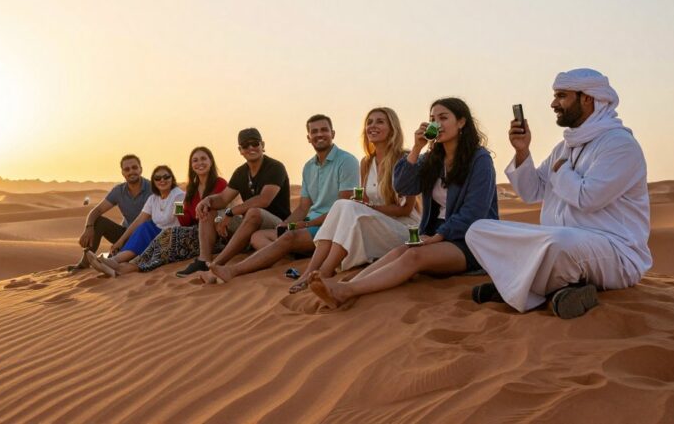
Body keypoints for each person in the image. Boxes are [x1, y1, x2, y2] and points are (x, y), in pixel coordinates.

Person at [466, 69, 651, 319]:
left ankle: (519, 289)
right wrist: (522, 152)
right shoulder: (564, 146)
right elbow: (532, 191)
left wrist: (562, 170)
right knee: (479, 231)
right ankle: (548, 290)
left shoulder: (619, 145)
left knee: (558, 244)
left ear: (587, 98)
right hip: (560, 242)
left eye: (561, 96)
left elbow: (588, 198)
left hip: (613, 251)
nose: (553, 104)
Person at [309, 98, 498, 309]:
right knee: (400, 251)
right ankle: (347, 285)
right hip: (436, 235)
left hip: (469, 240)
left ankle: (347, 291)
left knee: (414, 255)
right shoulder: (432, 159)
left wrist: (438, 236)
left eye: (443, 118)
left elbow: (474, 211)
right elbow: (404, 186)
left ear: (461, 122)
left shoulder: (480, 159)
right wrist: (417, 149)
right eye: (432, 119)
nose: (437, 124)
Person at [206, 114, 358, 284]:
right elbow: (302, 208)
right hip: (308, 225)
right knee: (258, 237)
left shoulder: (346, 161)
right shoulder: (309, 167)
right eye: (314, 132)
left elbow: (344, 208)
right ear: (308, 138)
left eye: (324, 130)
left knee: (286, 235)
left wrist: (304, 225)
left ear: (333, 133)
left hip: (329, 227)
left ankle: (232, 271)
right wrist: (284, 226)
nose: (319, 134)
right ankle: (288, 257)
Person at [288, 107, 419, 293]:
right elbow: (363, 203)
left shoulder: (404, 159)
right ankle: (310, 271)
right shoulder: (366, 163)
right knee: (343, 204)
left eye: (380, 121)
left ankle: (325, 271)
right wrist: (364, 207)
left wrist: (370, 208)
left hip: (403, 230)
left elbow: (405, 210)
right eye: (369, 122)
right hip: (375, 225)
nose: (373, 126)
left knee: (347, 206)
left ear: (392, 128)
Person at [87, 147, 228, 277]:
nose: (162, 180)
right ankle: (117, 265)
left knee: (165, 236)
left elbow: (187, 220)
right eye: (195, 160)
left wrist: (181, 206)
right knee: (151, 231)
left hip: (211, 232)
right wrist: (179, 208)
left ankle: (121, 266)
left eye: (166, 177)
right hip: (188, 233)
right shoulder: (190, 190)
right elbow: (185, 218)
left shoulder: (213, 185)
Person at [174, 128, 292, 277]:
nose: (250, 148)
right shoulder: (238, 173)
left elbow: (263, 200)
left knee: (254, 211)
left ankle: (217, 265)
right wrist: (207, 200)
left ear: (262, 144)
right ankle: (203, 261)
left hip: (276, 223)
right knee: (207, 210)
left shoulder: (275, 167)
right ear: (240, 150)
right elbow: (222, 199)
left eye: (254, 143)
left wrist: (231, 212)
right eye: (245, 145)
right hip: (243, 225)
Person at [85, 164, 184, 270]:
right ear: (154, 182)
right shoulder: (153, 199)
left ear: (172, 178)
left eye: (166, 177)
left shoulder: (179, 196)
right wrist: (120, 242)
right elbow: (139, 221)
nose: (162, 180)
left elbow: (181, 218)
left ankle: (112, 261)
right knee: (143, 227)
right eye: (158, 178)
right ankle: (112, 263)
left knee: (146, 227)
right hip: (156, 235)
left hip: (172, 237)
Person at [69, 154, 152, 272]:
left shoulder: (153, 188)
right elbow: (97, 210)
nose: (131, 171)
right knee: (99, 222)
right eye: (127, 169)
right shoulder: (119, 191)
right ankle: (85, 263)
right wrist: (88, 227)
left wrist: (179, 216)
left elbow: (177, 199)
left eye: (134, 167)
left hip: (148, 237)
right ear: (122, 173)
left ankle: (116, 261)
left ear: (141, 169)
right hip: (126, 236)